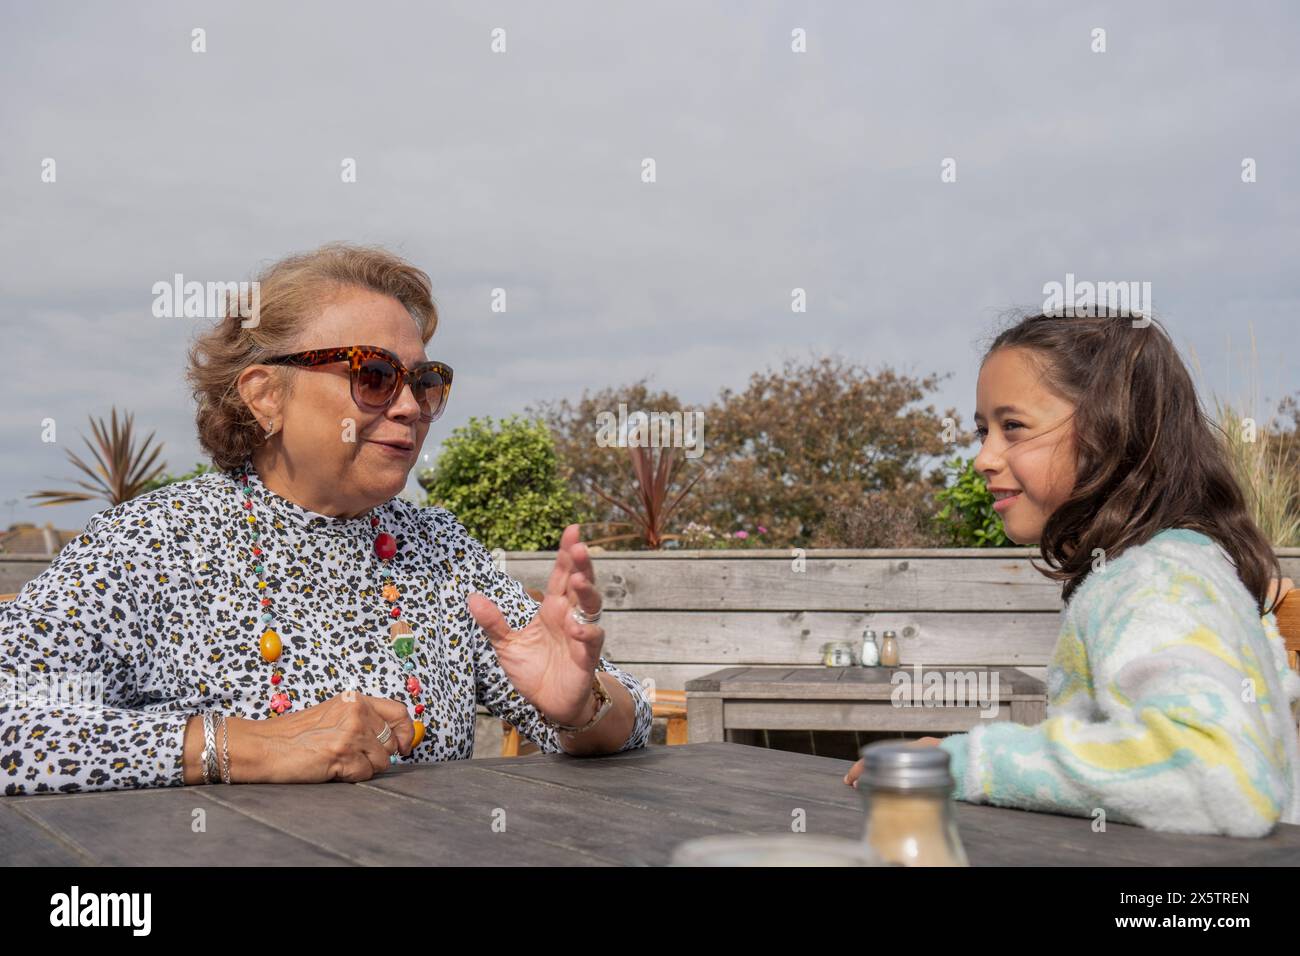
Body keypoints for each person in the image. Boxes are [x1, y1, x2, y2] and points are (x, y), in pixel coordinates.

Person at [1, 242, 652, 795]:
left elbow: (619, 718)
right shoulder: (157, 544)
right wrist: (249, 748)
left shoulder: (439, 548)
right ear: (265, 395)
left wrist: (582, 704)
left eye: (424, 381)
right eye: (373, 374)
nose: (409, 407)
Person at [845, 311, 1300, 837]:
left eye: (1012, 427)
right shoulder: (1166, 565)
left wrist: (967, 763)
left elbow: (1216, 776)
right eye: (982, 431)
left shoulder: (1156, 580)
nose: (983, 458)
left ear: (1112, 431)